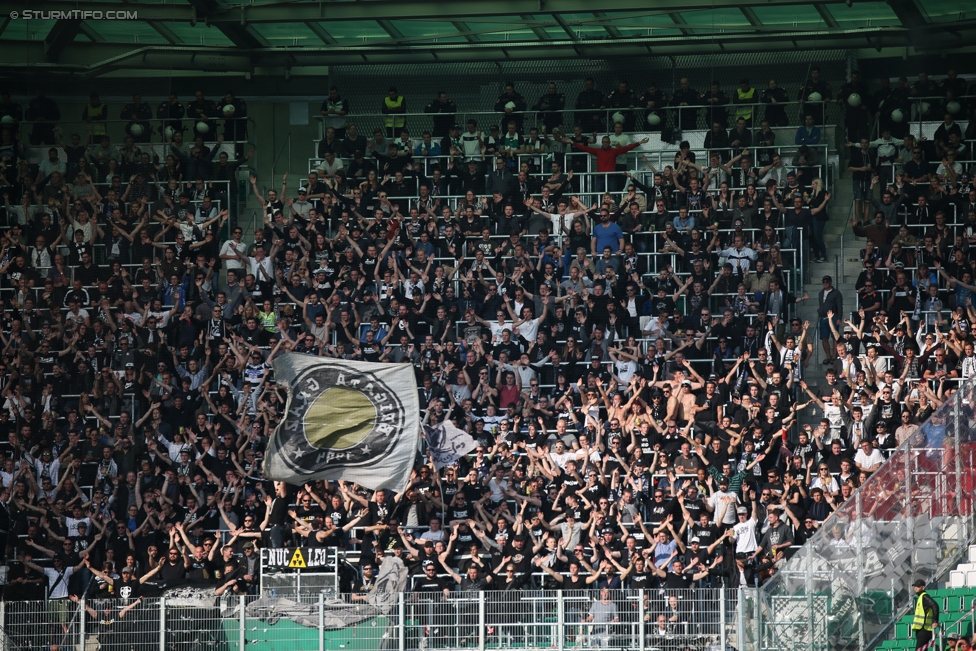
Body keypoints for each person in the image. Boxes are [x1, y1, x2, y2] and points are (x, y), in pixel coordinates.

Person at [911, 579, 939, 649]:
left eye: (918, 586)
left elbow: (935, 605)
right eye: (915, 586)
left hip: (924, 629)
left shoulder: (924, 596)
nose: (915, 588)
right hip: (922, 629)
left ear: (923, 587)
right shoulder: (920, 597)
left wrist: (935, 621)